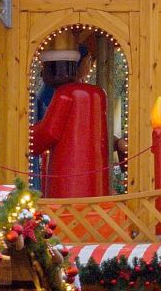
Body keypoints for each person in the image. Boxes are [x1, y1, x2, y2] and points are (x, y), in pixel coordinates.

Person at [30, 32, 110, 198]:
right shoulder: (98, 93)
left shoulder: (65, 94)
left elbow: (48, 133)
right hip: (95, 179)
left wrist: (26, 137)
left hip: (67, 175)